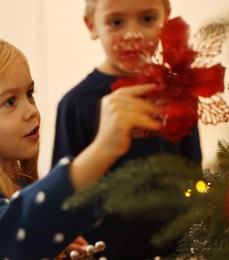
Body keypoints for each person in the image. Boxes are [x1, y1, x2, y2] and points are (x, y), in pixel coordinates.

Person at [0, 33, 163, 260]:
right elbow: (4, 243)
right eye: (10, 101)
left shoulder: (16, 185)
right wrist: (102, 149)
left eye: (30, 93)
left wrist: (48, 243)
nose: (31, 111)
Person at [52, 0, 202, 258]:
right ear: (92, 25)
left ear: (165, 18)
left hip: (173, 250)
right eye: (116, 22)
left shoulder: (179, 91)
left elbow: (193, 170)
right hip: (103, 251)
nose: (133, 34)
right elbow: (64, 192)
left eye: (147, 19)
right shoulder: (75, 104)